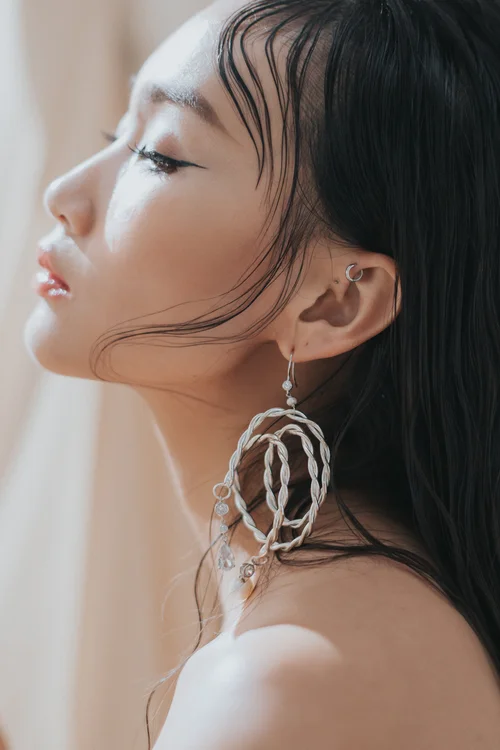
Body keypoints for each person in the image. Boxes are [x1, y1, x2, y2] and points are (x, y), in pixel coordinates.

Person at [24, 0, 500, 747]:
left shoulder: (283, 681)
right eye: (116, 135)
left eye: (161, 155)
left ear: (334, 302)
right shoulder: (366, 620)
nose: (64, 194)